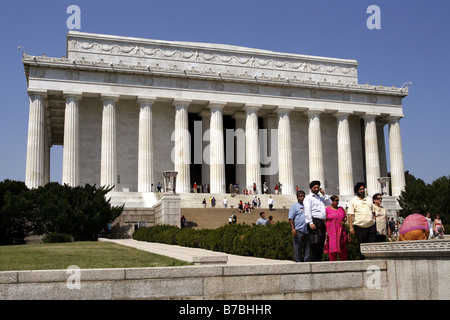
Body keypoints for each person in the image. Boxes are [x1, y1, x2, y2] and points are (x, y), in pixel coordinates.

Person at [304, 180, 331, 262]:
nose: (316, 189)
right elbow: (307, 211)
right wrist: (310, 222)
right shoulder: (308, 198)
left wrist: (324, 194)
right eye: (315, 187)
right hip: (314, 221)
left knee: (321, 242)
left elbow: (329, 202)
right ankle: (313, 260)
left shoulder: (320, 198)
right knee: (314, 242)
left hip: (321, 222)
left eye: (318, 188)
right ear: (311, 188)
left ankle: (318, 259)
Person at [347, 182, 376, 259]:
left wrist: (374, 221)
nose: (362, 190)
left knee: (372, 245)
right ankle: (363, 260)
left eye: (363, 189)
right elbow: (350, 214)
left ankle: (372, 259)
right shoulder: (353, 201)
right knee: (362, 245)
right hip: (360, 226)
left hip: (371, 225)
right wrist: (351, 227)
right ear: (357, 190)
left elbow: (373, 212)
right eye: (360, 189)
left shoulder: (369, 199)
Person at [324, 195, 348, 261]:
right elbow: (324, 220)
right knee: (332, 249)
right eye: (335, 200)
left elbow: (345, 217)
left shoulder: (341, 209)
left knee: (342, 248)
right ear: (331, 201)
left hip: (340, 231)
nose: (337, 202)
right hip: (331, 232)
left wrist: (344, 221)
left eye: (338, 200)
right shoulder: (327, 209)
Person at [289, 190, 310, 262]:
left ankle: (306, 261)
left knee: (307, 247)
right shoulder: (294, 206)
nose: (302, 198)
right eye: (300, 196)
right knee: (297, 246)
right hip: (298, 229)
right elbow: (291, 218)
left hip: (307, 229)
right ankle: (298, 261)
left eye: (303, 196)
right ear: (297, 197)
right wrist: (293, 229)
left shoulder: (307, 206)